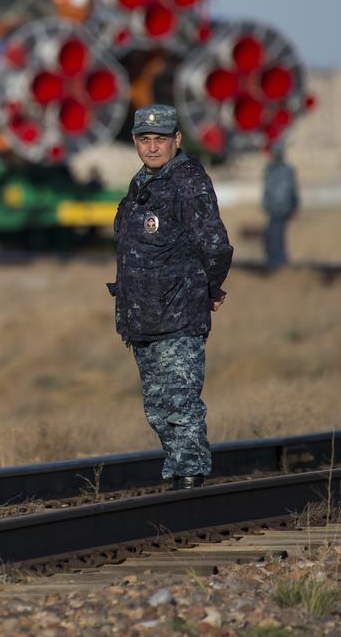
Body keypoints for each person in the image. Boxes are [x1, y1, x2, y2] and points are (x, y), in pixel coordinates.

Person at [107, 105, 234, 490]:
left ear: (176, 140)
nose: (152, 147)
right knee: (159, 410)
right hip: (143, 316)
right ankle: (180, 476)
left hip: (179, 312)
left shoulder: (188, 182)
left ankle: (191, 482)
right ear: (135, 142)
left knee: (181, 404)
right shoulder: (142, 183)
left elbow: (215, 245)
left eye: (160, 139)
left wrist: (210, 289)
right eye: (145, 139)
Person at [261, 146, 299, 270]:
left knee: (275, 234)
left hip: (279, 207)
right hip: (279, 207)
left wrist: (295, 206)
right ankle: (277, 261)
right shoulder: (280, 169)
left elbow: (292, 189)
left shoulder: (276, 169)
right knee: (275, 234)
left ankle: (277, 262)